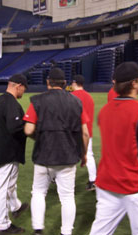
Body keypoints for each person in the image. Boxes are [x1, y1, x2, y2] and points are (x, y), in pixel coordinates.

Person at [90, 62, 138, 235]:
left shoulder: (105, 110)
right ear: (133, 83)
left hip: (107, 182)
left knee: (100, 232)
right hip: (134, 184)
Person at [23, 67, 90, 235]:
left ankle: (38, 230)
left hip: (43, 155)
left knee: (38, 192)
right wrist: (83, 154)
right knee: (67, 197)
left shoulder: (37, 100)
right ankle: (66, 232)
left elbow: (28, 130)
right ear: (65, 83)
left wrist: (41, 138)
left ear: (47, 82)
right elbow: (85, 133)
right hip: (68, 155)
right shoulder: (76, 101)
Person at [0, 74, 29, 234]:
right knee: (3, 188)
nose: (24, 92)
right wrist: (29, 128)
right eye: (24, 88)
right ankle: (3, 225)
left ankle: (16, 206)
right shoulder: (11, 103)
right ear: (18, 86)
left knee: (9, 184)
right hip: (7, 153)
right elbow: (15, 127)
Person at [71, 75, 97, 191]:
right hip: (87, 130)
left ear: (74, 83)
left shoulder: (71, 97)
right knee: (89, 155)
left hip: (73, 132)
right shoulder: (89, 97)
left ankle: (61, 179)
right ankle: (93, 180)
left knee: (70, 156)